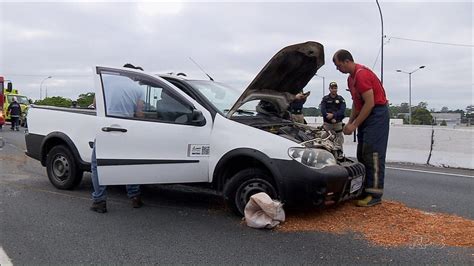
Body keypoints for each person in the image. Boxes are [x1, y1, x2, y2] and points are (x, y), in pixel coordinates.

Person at [332, 49, 389, 207]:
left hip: (377, 113)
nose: (338, 69)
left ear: (347, 61)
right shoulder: (351, 79)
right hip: (365, 112)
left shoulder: (362, 74)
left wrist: (355, 124)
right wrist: (350, 122)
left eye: (338, 66)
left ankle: (375, 194)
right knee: (362, 152)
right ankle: (364, 188)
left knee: (373, 153)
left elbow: (369, 103)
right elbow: (357, 104)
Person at [90, 63, 145, 213]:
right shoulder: (138, 88)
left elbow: (95, 104)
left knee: (97, 165)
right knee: (130, 164)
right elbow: (139, 114)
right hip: (127, 129)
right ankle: (135, 197)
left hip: (106, 128)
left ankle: (99, 201)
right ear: (133, 75)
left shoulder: (105, 81)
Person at [320, 82, 346, 152]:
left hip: (337, 123)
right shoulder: (325, 99)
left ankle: (340, 154)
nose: (334, 90)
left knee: (339, 140)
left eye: (335, 88)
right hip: (328, 123)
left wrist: (333, 115)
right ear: (329, 89)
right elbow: (322, 110)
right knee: (323, 140)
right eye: (332, 88)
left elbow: (342, 110)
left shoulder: (340, 99)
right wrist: (328, 116)